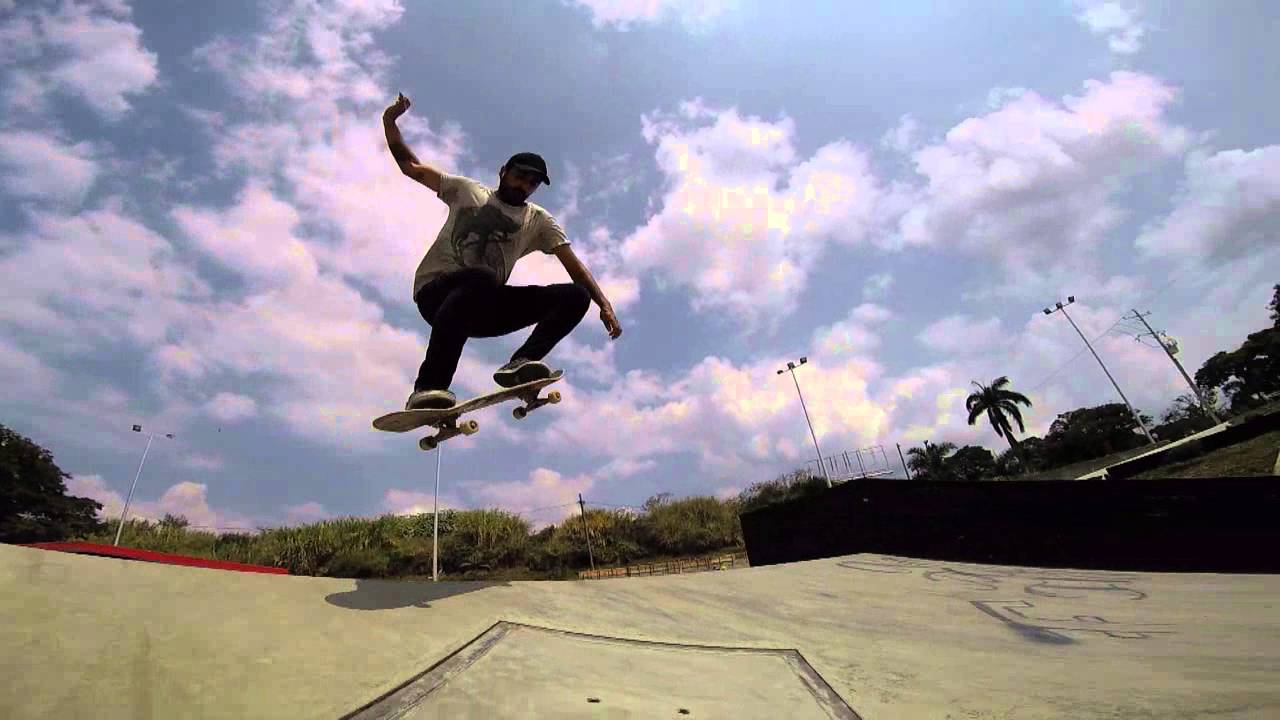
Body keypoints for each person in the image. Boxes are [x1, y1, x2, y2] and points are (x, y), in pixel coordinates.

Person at [382, 93, 623, 411]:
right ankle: (429, 388)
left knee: (575, 296)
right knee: (481, 276)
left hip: (484, 309)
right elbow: (409, 166)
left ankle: (521, 365)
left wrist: (603, 303)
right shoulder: (468, 191)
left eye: (532, 183)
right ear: (503, 171)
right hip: (436, 297)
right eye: (520, 176)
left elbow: (573, 265)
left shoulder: (538, 220)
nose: (524, 186)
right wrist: (389, 121)